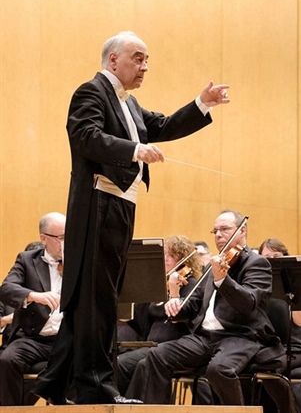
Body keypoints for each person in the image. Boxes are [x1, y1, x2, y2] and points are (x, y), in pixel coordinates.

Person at [32, 31, 230, 405]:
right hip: (97, 205)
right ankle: (96, 389)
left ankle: (63, 385)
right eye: (137, 58)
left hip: (120, 206)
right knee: (97, 300)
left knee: (99, 298)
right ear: (112, 60)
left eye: (146, 59)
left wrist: (201, 104)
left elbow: (163, 125)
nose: (144, 67)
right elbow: (86, 137)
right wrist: (135, 149)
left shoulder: (130, 103)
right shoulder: (90, 92)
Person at [125, 210, 284, 405]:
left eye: (224, 229)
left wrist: (223, 279)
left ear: (242, 230)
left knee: (218, 370)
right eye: (215, 231)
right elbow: (194, 305)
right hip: (204, 337)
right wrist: (176, 303)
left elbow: (248, 304)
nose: (218, 235)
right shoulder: (211, 266)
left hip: (240, 335)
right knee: (157, 355)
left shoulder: (257, 263)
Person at [116, 234, 202, 395]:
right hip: (148, 345)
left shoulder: (190, 285)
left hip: (171, 346)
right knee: (116, 361)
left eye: (172, 255)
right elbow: (140, 320)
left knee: (125, 365)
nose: (166, 259)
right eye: (164, 255)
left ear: (184, 258)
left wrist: (175, 292)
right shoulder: (159, 286)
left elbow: (180, 315)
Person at [0, 212, 66, 406]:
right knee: (7, 360)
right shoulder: (27, 260)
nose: (66, 243)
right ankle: (11, 410)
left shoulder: (78, 261)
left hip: (68, 338)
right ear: (43, 239)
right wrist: (34, 296)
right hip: (34, 339)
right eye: (61, 238)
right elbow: (6, 288)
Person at [258, 238, 301, 413]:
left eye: (276, 256)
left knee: (269, 366)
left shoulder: (295, 282)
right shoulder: (257, 283)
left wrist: (290, 292)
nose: (272, 261)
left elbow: (300, 320)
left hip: (296, 348)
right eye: (267, 257)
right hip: (269, 347)